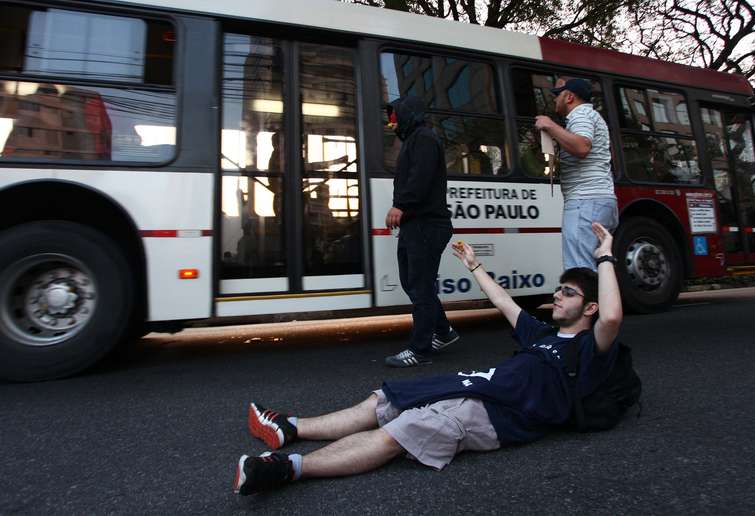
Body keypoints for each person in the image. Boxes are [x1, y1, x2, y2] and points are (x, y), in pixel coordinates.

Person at [232, 223, 624, 496]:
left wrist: (605, 257)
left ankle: (287, 468)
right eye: (558, 290)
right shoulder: (540, 333)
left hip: (494, 415)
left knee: (398, 432)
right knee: (383, 400)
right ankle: (291, 428)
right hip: (471, 387)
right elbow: (503, 301)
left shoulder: (590, 350)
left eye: (567, 293)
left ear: (588, 307)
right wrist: (473, 265)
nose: (557, 296)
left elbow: (611, 317)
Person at [383, 96, 458, 367]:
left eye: (395, 116)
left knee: (420, 287)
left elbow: (420, 178)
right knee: (413, 283)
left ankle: (420, 348)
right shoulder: (414, 138)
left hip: (426, 224)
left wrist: (401, 206)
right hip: (416, 225)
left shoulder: (424, 138)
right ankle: (444, 332)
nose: (391, 122)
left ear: (408, 114)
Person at [535, 78, 618, 270]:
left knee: (580, 270)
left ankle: (589, 301)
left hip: (585, 202)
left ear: (569, 96)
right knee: (596, 268)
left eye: (557, 95)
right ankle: (601, 300)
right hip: (598, 200)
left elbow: (582, 147)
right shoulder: (589, 116)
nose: (555, 100)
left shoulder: (580, 115)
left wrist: (550, 126)